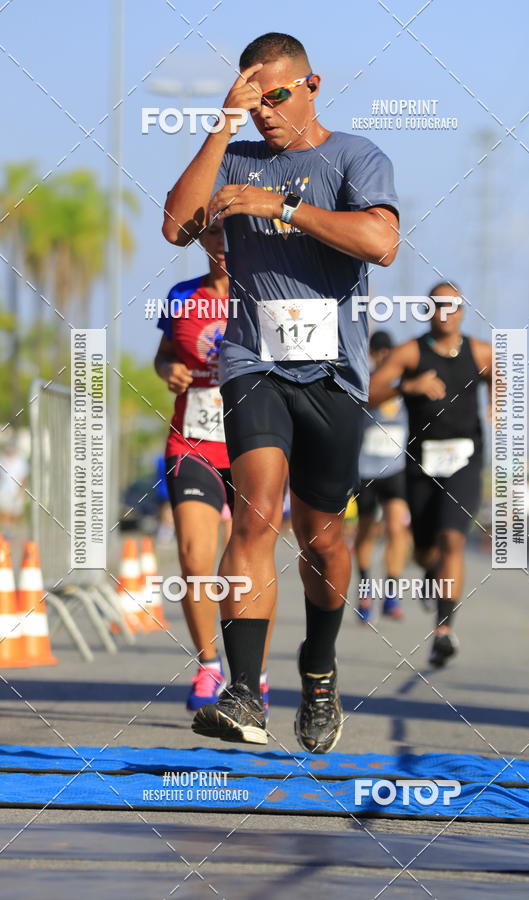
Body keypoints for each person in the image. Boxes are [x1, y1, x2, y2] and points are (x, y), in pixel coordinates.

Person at [163, 32, 399, 752]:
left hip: (332, 372)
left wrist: (284, 206)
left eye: (275, 96)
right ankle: (243, 694)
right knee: (256, 512)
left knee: (322, 537)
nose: (264, 110)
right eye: (250, 97)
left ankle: (319, 671)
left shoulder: (357, 156)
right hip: (252, 362)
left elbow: (381, 242)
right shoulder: (232, 155)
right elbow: (176, 225)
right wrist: (220, 126)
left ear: (311, 85)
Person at [154, 220, 269, 713]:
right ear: (202, 240)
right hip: (193, 441)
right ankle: (208, 666)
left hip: (255, 444)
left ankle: (253, 674)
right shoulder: (181, 295)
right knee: (195, 558)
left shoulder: (263, 292)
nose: (222, 241)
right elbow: (163, 355)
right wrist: (168, 370)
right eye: (214, 233)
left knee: (247, 563)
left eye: (231, 231)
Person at [369, 283, 491, 667]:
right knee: (424, 550)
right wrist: (408, 386)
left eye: (452, 305)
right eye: (437, 305)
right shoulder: (410, 352)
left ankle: (443, 630)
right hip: (421, 463)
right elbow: (368, 392)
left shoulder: (481, 352)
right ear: (427, 310)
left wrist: (500, 408)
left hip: (465, 460)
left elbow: (504, 382)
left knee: (452, 538)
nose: (445, 311)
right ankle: (431, 572)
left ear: (463, 310)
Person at [355, 331, 410, 623]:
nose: (383, 358)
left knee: (396, 529)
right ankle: (365, 590)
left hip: (395, 469)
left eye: (388, 353)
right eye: (378, 353)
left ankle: (391, 592)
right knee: (365, 530)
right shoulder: (364, 383)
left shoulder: (405, 384)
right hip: (365, 470)